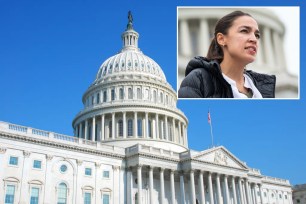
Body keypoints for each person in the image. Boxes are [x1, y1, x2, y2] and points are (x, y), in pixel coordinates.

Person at [178, 10, 276, 98]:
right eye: (244, 31)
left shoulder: (265, 88)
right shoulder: (198, 80)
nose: (254, 39)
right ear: (221, 39)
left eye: (257, 35)